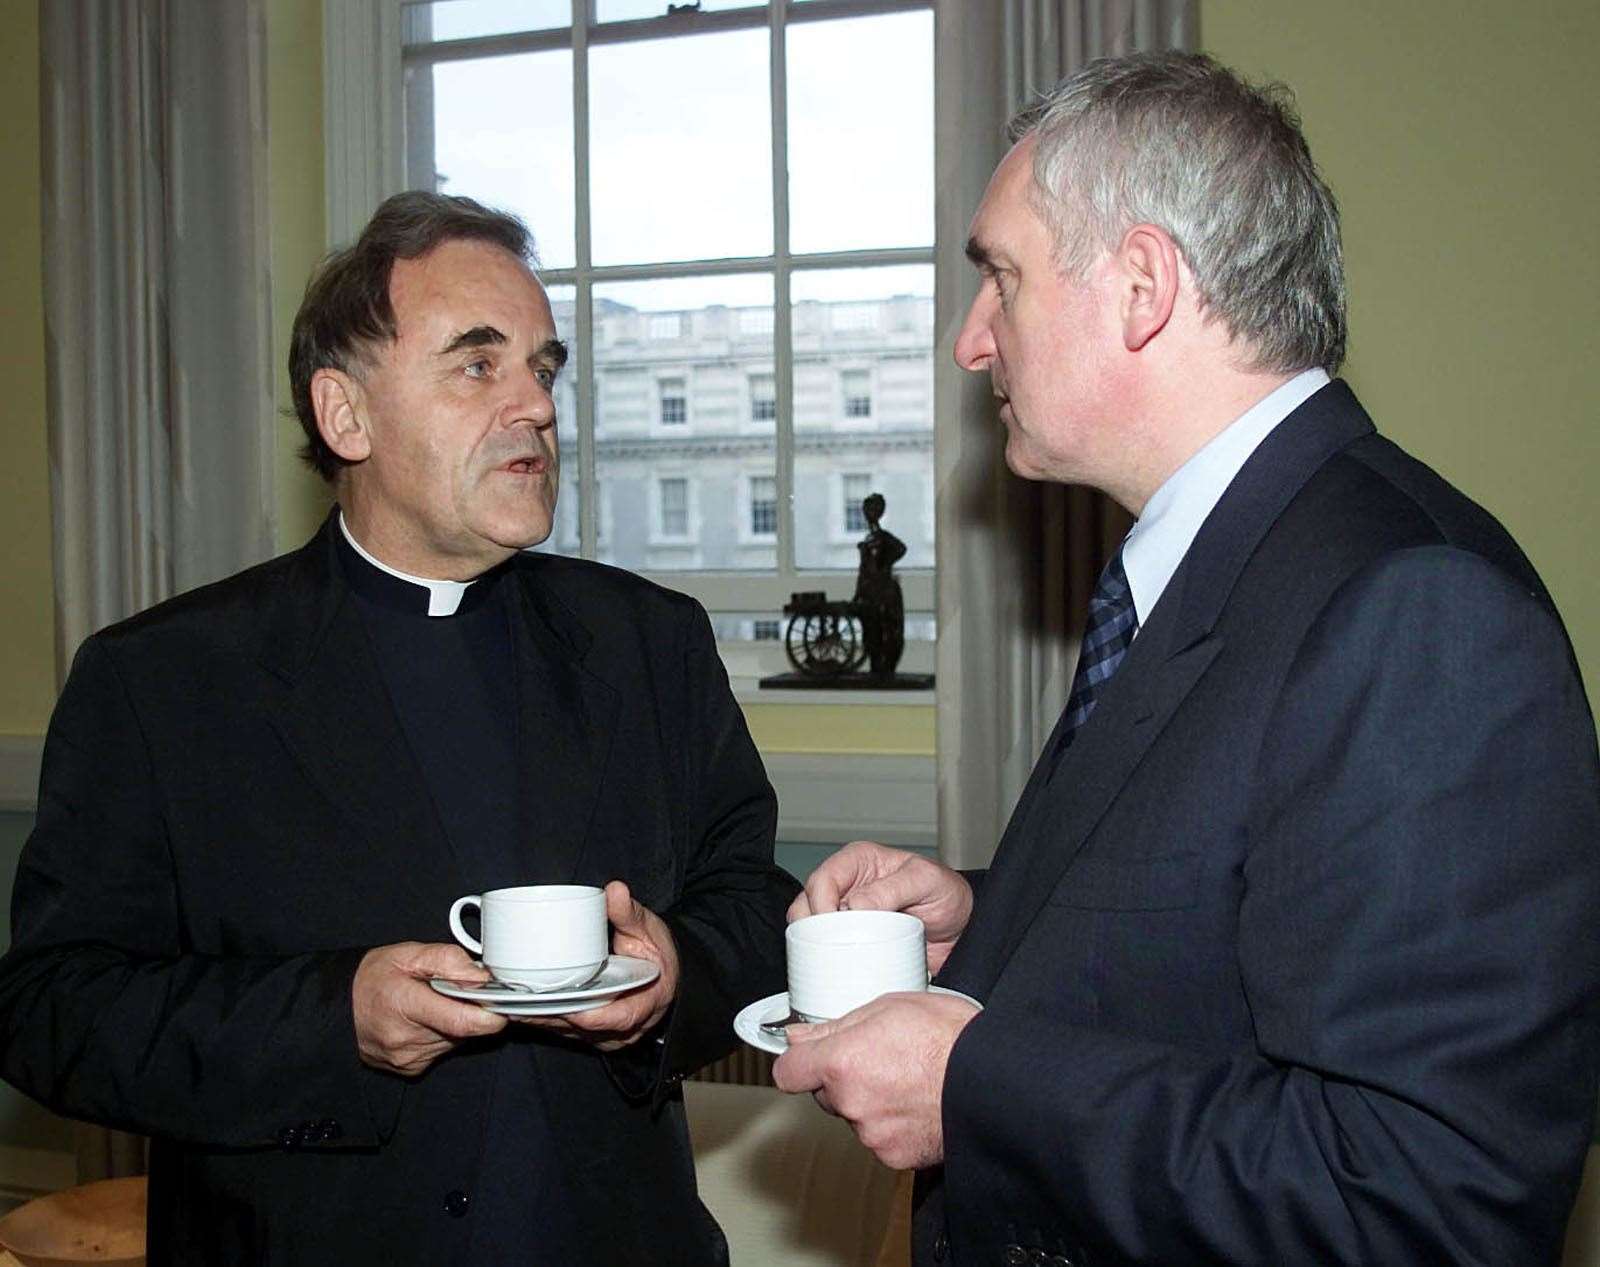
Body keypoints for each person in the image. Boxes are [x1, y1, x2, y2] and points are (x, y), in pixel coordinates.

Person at [773, 52, 1600, 1265]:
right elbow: (1243, 918)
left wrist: (977, 1079)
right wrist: (987, 925)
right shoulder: (1212, 556)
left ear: (1142, 286)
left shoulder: (1415, 605)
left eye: (1001, 278)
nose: (970, 339)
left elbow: (1432, 1200)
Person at [0, 191, 797, 1265]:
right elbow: (54, 1008)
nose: (536, 407)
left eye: (544, 368)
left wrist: (669, 978)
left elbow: (754, 909)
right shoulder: (163, 680)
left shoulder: (647, 643)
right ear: (346, 415)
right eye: (479, 364)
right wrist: (336, 1019)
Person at [853, 492, 907, 677]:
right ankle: (877, 667)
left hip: (882, 592)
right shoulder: (872, 537)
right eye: (867, 509)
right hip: (869, 591)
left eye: (872, 509)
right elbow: (864, 569)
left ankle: (884, 667)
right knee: (870, 631)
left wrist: (885, 564)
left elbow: (901, 548)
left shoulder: (882, 536)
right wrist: (859, 592)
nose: (868, 513)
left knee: (886, 630)